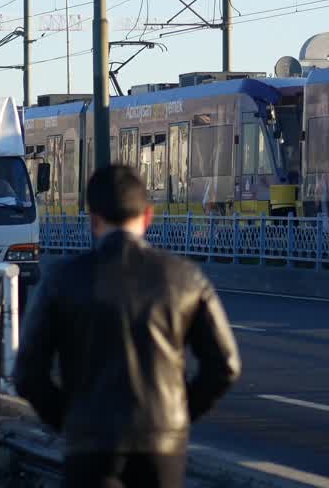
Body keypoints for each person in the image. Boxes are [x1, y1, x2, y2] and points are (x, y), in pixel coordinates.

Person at [14, 164, 241, 488]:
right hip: (161, 445)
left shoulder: (62, 279)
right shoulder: (185, 278)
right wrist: (176, 415)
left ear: (93, 220)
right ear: (148, 216)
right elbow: (225, 365)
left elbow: (27, 374)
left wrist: (71, 420)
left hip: (90, 444)